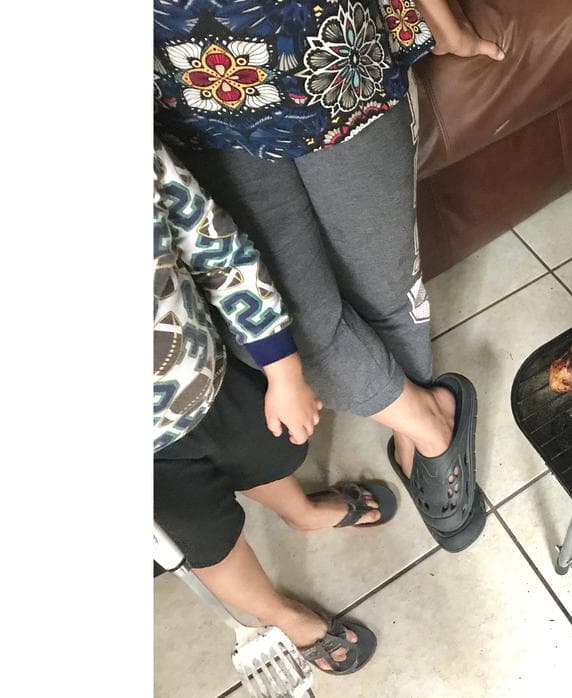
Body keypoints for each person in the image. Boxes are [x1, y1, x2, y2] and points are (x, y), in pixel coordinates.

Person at [153, 0, 505, 551]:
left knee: (385, 284)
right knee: (292, 327)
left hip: (339, 60)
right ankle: (430, 421)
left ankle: (408, 428)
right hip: (192, 101)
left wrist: (448, 25)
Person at [154, 138, 394, 674]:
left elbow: (216, 250)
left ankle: (302, 512)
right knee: (207, 541)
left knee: (266, 453)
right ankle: (280, 613)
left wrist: (282, 367)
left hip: (202, 376)